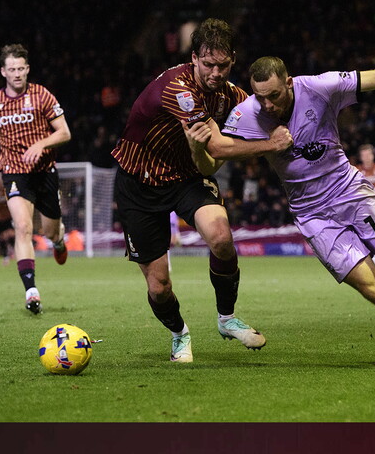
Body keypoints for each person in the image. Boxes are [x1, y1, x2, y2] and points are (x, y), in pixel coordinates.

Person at [190, 55, 375, 370]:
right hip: (312, 215)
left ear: (288, 83)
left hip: (351, 193)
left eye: (273, 96)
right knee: (373, 288)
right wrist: (199, 148)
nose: (267, 105)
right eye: (259, 97)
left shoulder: (320, 87)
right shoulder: (246, 114)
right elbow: (213, 159)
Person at [110, 18, 292, 363]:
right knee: (159, 286)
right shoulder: (178, 90)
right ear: (193, 58)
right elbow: (220, 148)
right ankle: (180, 334)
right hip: (139, 183)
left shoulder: (231, 95)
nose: (215, 72)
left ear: (233, 61)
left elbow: (266, 110)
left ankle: (226, 319)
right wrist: (271, 143)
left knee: (222, 238)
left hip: (185, 178)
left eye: (223, 65)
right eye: (208, 64)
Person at [0, 43, 71, 315]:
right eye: (12, 69)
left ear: (27, 69)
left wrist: (41, 145)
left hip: (44, 172)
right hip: (13, 171)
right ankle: (31, 290)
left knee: (50, 231)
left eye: (21, 68)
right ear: (3, 71)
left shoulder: (42, 95)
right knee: (22, 227)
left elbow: (64, 133)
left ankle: (58, 241)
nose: (17, 74)